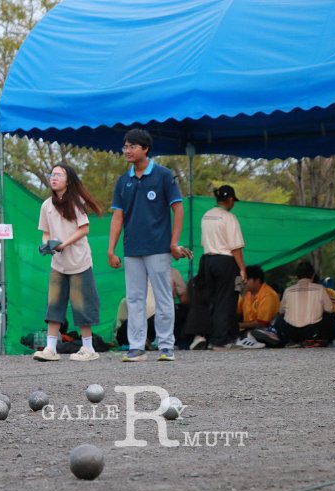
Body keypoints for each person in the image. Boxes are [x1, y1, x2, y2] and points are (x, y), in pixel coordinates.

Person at [108, 129, 191, 362]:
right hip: (132, 248)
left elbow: (178, 209)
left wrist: (174, 243)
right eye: (125, 146)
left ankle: (166, 347)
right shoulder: (123, 181)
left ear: (145, 149)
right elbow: (117, 217)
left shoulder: (164, 175)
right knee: (134, 299)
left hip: (159, 248)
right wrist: (111, 249)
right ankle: (136, 347)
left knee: (164, 297)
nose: (127, 150)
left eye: (132, 146)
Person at [32, 162, 104, 362]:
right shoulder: (46, 205)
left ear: (69, 180)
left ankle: (88, 348)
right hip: (58, 264)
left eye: (59, 175)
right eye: (52, 174)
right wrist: (47, 245)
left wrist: (64, 244)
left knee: (82, 305)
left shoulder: (76, 201)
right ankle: (50, 348)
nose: (53, 177)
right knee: (54, 304)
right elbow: (46, 232)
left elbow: (84, 229)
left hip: (79, 262)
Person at [185, 185, 247, 350]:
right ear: (231, 199)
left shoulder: (206, 216)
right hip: (225, 261)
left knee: (208, 298)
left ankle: (203, 334)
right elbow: (235, 247)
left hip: (207, 260)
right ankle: (220, 340)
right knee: (225, 300)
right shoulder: (229, 218)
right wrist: (242, 268)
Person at [254, 261, 335, 347]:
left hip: (291, 332)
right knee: (331, 316)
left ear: (297, 276)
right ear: (313, 275)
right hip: (313, 332)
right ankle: (325, 340)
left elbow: (281, 311)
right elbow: (329, 309)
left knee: (279, 317)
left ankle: (276, 334)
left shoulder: (288, 290)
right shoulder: (320, 289)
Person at [235, 265, 279, 348]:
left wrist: (239, 325)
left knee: (258, 332)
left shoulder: (268, 295)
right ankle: (246, 338)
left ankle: (247, 339)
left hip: (266, 329)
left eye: (247, 279)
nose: (244, 282)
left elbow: (261, 323)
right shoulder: (247, 293)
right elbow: (236, 311)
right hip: (249, 328)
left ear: (257, 280)